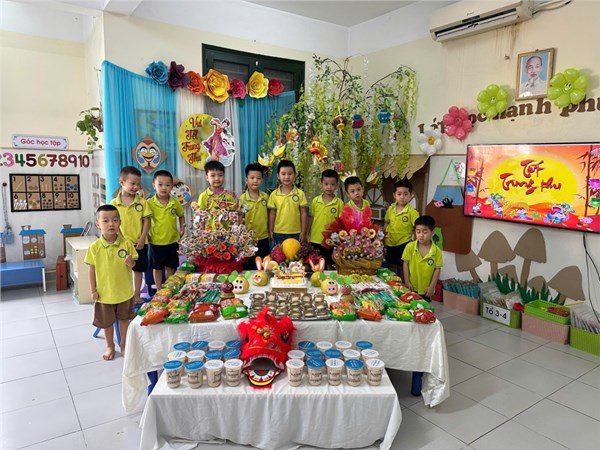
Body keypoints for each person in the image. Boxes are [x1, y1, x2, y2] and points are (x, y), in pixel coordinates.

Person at [85, 205, 137, 361]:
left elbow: (134, 264)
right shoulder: (94, 247)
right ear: (98, 224)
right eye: (106, 221)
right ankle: (110, 346)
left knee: (124, 320)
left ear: (120, 222)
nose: (111, 224)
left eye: (115, 220)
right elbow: (91, 270)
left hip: (124, 292)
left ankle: (124, 345)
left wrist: (131, 263)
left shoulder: (127, 244)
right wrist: (93, 290)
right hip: (104, 294)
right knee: (107, 323)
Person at [110, 166, 151, 304]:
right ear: (122, 182)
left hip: (140, 244)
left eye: (138, 184)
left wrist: (142, 238)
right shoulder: (114, 204)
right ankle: (124, 296)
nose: (136, 187)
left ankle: (137, 295)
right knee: (123, 270)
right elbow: (114, 224)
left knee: (138, 270)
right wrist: (122, 240)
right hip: (121, 244)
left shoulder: (142, 202)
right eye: (132, 183)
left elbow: (146, 221)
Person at [147, 170, 185, 290]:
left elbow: (181, 216)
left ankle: (169, 289)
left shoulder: (174, 202)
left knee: (170, 267)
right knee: (157, 268)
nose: (164, 188)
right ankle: (159, 290)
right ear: (154, 186)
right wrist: (146, 234)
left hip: (172, 241)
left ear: (172, 186)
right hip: (156, 242)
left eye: (167, 185)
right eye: (160, 184)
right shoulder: (149, 203)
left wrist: (182, 229)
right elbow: (144, 220)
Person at [308, 169, 344, 268]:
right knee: (316, 264)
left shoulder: (339, 203)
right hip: (316, 238)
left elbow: (340, 223)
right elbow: (311, 218)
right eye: (326, 184)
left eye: (332, 184)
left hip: (331, 240)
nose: (329, 187)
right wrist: (307, 233)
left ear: (336, 185)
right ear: (321, 184)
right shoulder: (315, 201)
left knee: (330, 264)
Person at [401, 215, 442, 301]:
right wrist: (407, 282)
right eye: (418, 232)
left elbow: (437, 269)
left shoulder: (437, 251)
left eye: (425, 232)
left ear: (433, 232)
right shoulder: (409, 247)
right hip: (412, 287)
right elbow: (405, 264)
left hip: (426, 289)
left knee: (424, 308)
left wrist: (432, 287)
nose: (421, 235)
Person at [383, 179, 420, 275]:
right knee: (389, 264)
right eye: (399, 194)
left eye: (405, 194)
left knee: (403, 265)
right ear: (394, 195)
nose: (402, 197)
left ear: (410, 195)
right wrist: (383, 238)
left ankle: (402, 282)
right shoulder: (391, 209)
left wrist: (416, 244)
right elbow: (386, 222)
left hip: (404, 244)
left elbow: (417, 229)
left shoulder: (412, 212)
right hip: (390, 243)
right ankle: (391, 281)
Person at [268, 160, 307, 245]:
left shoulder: (300, 193)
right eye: (283, 174)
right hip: (278, 232)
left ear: (295, 175)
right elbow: (272, 214)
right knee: (279, 253)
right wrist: (270, 230)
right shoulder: (274, 195)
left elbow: (303, 213)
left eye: (290, 174)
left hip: (296, 232)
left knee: (294, 253)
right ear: (278, 175)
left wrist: (303, 231)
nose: (287, 177)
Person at [239, 163, 270, 268]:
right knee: (248, 267)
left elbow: (269, 215)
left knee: (264, 266)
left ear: (262, 181)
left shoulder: (265, 197)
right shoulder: (242, 199)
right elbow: (240, 219)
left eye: (258, 178)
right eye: (252, 178)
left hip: (263, 238)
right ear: (246, 180)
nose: (255, 181)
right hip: (248, 239)